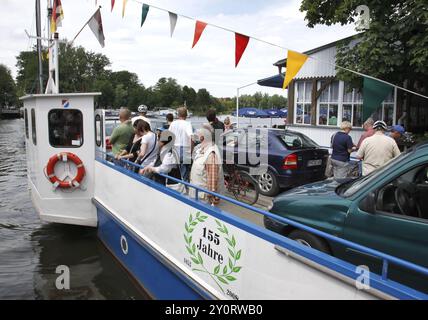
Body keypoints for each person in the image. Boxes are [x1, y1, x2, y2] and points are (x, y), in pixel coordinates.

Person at [189, 124, 225, 206]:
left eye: (198, 134)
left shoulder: (211, 154)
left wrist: (212, 204)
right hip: (197, 197)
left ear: (202, 137)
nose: (197, 136)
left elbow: (212, 187)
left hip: (203, 201)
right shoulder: (202, 149)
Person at [169, 107, 194, 182]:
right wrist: (191, 150)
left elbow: (169, 137)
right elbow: (191, 138)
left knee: (175, 172)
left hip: (174, 149)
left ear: (178, 115)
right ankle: (184, 189)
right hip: (185, 149)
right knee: (184, 173)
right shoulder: (187, 124)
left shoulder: (173, 123)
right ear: (186, 115)